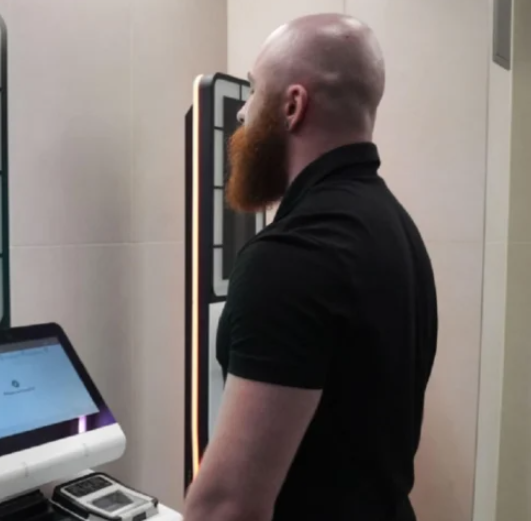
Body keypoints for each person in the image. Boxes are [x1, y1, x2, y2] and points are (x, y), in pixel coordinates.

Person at [183, 13, 438, 521]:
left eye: (254, 91)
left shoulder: (292, 256)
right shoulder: (395, 226)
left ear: (293, 105)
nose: (242, 113)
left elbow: (227, 507)